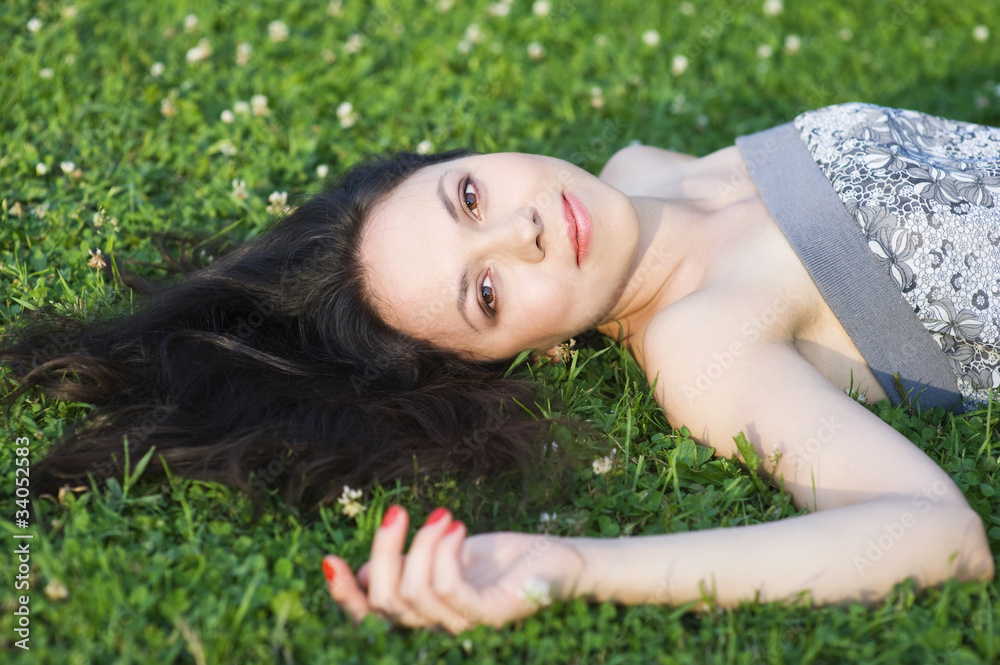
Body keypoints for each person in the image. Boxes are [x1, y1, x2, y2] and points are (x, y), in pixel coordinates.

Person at [3, 103, 994, 633]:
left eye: (467, 195)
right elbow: (938, 533)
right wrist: (575, 565)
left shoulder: (642, 167)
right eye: (487, 296)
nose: (523, 232)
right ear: (537, 352)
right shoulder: (704, 342)